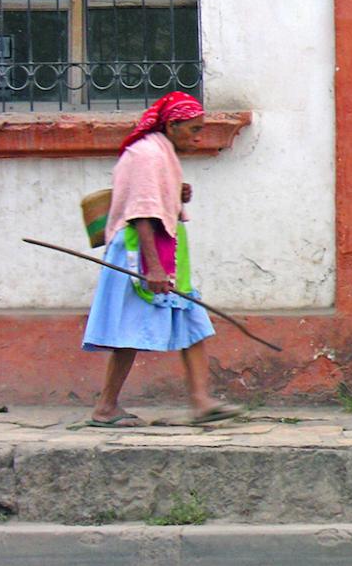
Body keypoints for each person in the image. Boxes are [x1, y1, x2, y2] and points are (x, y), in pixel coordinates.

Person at [82, 91, 242, 427]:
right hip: (141, 253)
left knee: (191, 319)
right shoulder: (147, 155)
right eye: (193, 130)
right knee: (128, 330)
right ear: (172, 126)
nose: (198, 138)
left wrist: (176, 192)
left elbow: (152, 197)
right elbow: (141, 213)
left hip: (164, 248)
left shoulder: (161, 153)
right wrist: (153, 267)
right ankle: (106, 408)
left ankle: (201, 402)